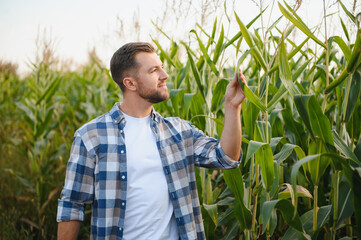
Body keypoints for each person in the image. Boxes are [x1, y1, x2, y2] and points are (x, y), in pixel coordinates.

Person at [57, 42, 247, 240]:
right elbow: (72, 204)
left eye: (162, 67)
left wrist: (233, 108)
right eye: (154, 70)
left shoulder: (179, 131)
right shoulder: (91, 136)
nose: (165, 75)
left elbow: (226, 157)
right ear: (130, 83)